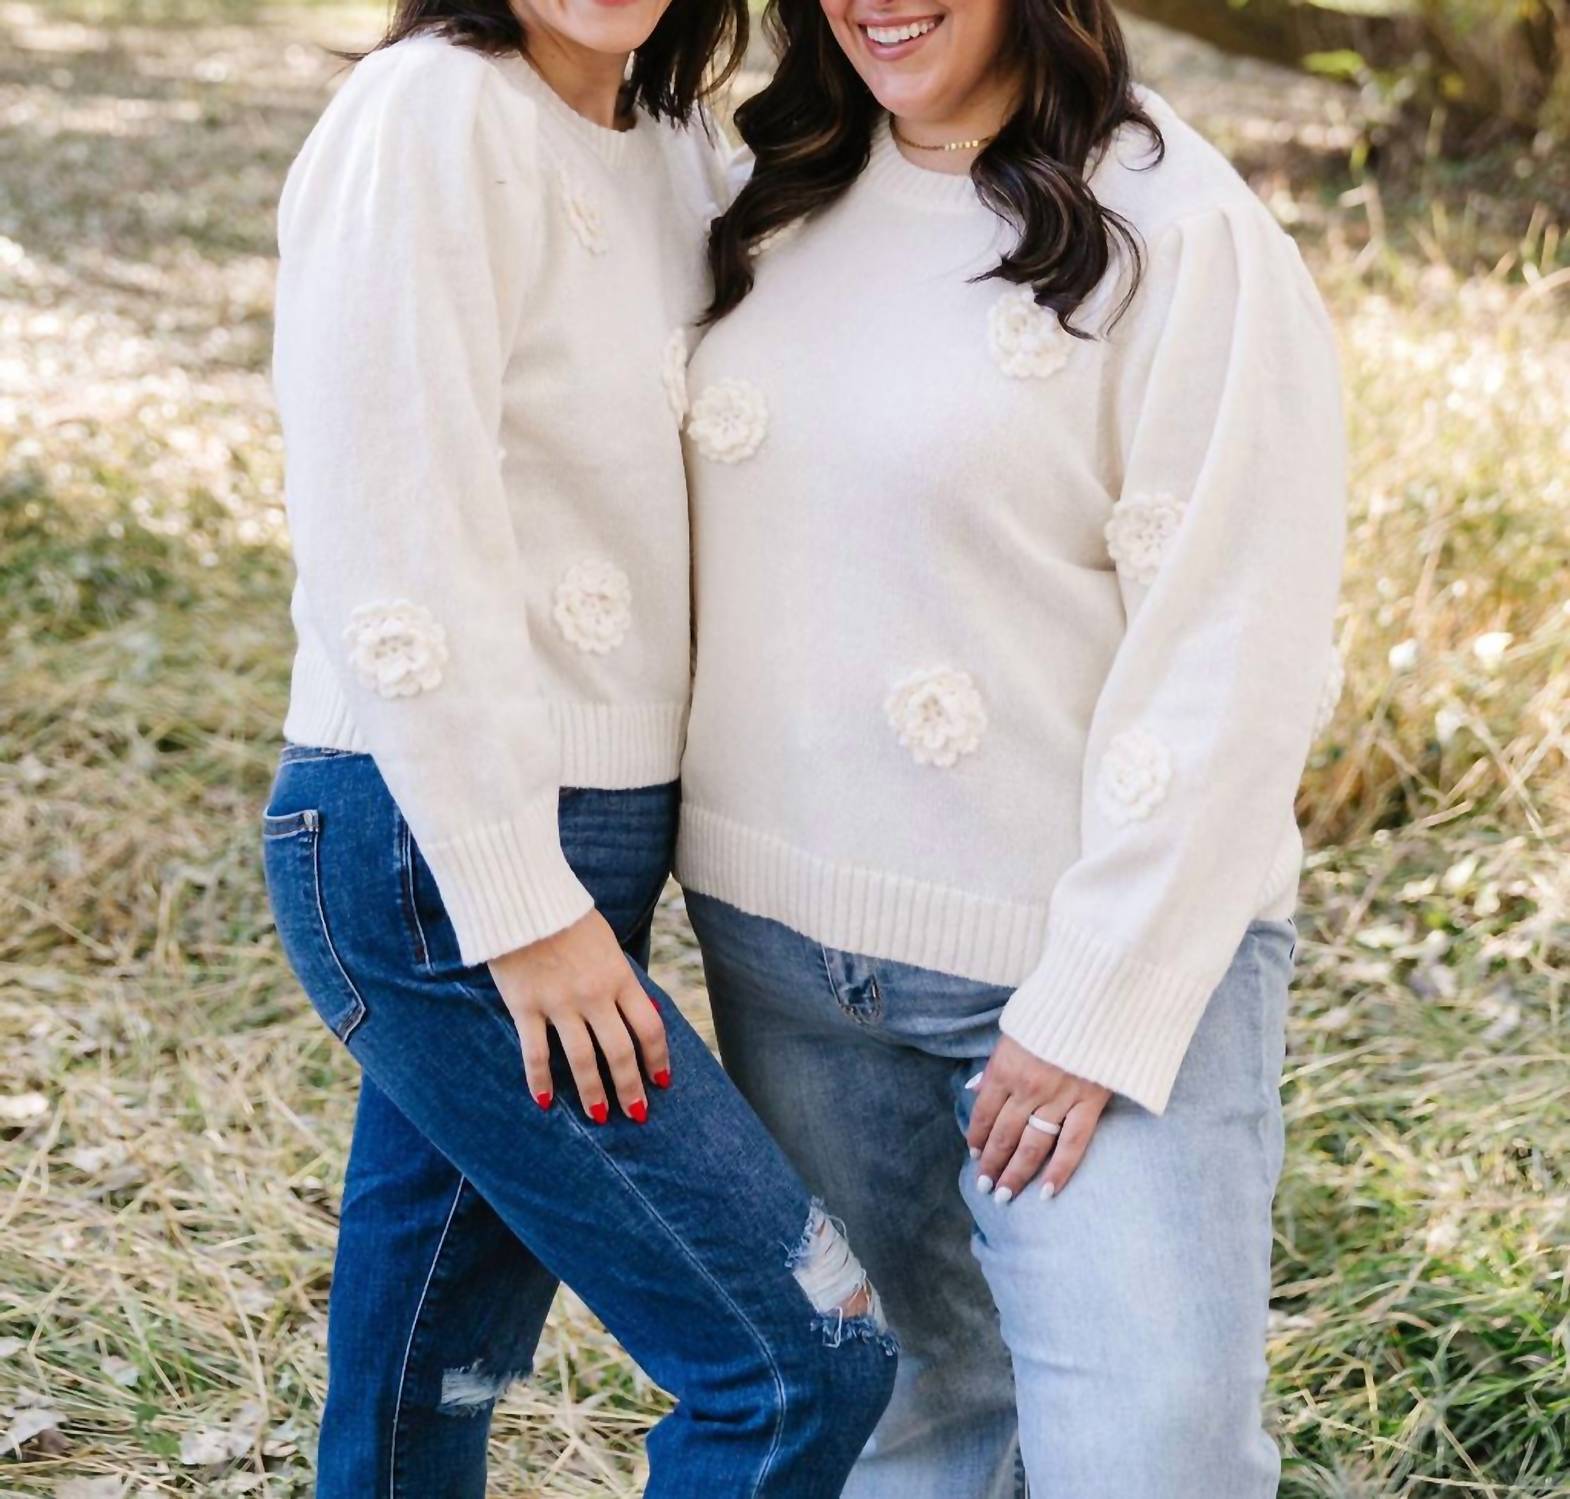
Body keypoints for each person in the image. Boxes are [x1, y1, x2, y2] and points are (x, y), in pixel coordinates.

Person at [674, 0, 1346, 1493]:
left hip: (1078, 976)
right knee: (905, 1441)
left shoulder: (1181, 234)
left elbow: (1238, 654)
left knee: (1148, 1462)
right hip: (784, 963)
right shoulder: (770, 191)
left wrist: (1093, 1005)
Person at [262, 1, 896, 1492]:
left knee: (432, 1372)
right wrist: (521, 906)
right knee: (801, 1361)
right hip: (441, 852)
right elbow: (387, 534)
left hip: (581, 844)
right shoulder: (429, 112)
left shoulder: (670, 142)